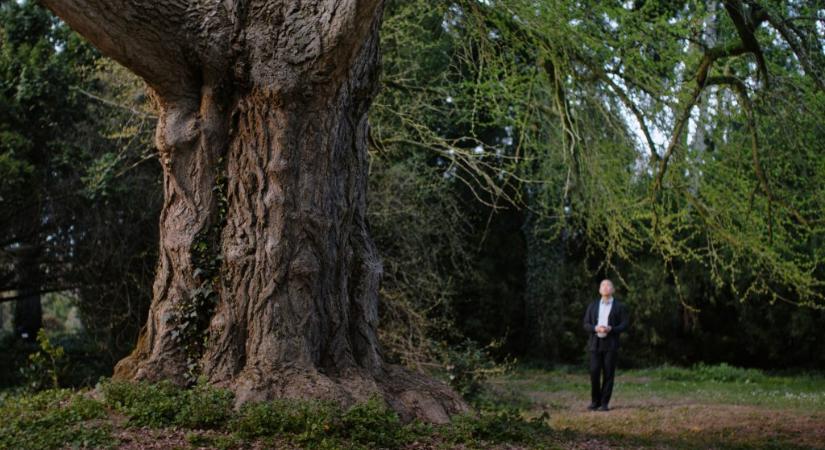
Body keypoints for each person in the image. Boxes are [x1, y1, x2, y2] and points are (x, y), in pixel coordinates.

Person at [582, 279, 629, 411]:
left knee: (609, 374)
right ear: (599, 290)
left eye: (608, 285)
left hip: (611, 343)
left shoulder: (620, 307)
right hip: (595, 343)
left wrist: (611, 329)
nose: (605, 287)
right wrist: (596, 328)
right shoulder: (592, 305)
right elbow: (585, 324)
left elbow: (625, 324)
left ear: (613, 290)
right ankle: (594, 402)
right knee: (594, 372)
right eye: (603, 285)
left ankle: (604, 403)